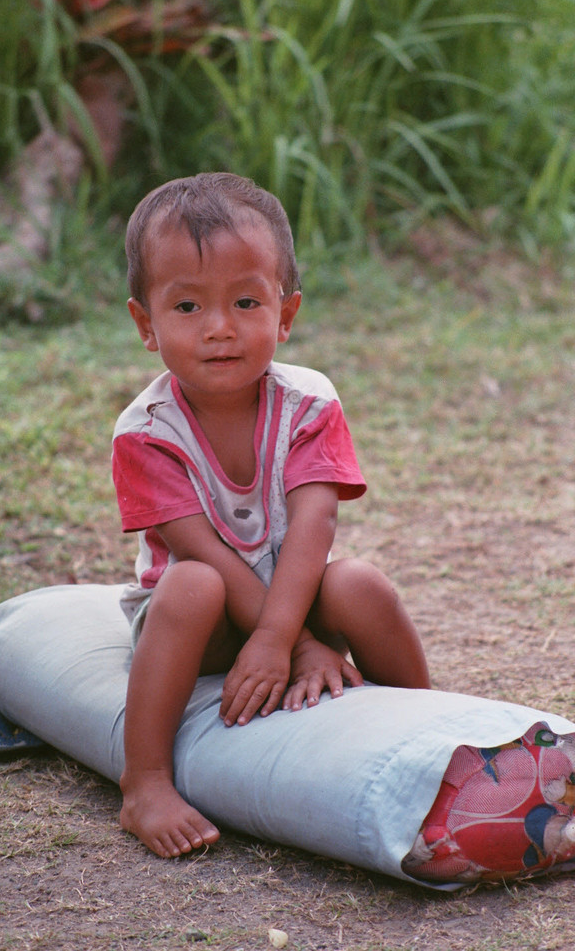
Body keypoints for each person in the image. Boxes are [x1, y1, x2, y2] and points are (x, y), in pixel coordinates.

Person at [112, 172, 430, 859]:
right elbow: (207, 555)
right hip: (199, 628)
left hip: (292, 597)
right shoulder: (144, 432)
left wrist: (293, 633)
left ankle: (430, 722)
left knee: (360, 582)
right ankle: (144, 782)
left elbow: (314, 526)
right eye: (188, 306)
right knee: (194, 582)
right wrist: (287, 643)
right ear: (146, 324)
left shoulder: (309, 402)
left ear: (285, 315)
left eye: (246, 301)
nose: (220, 328)